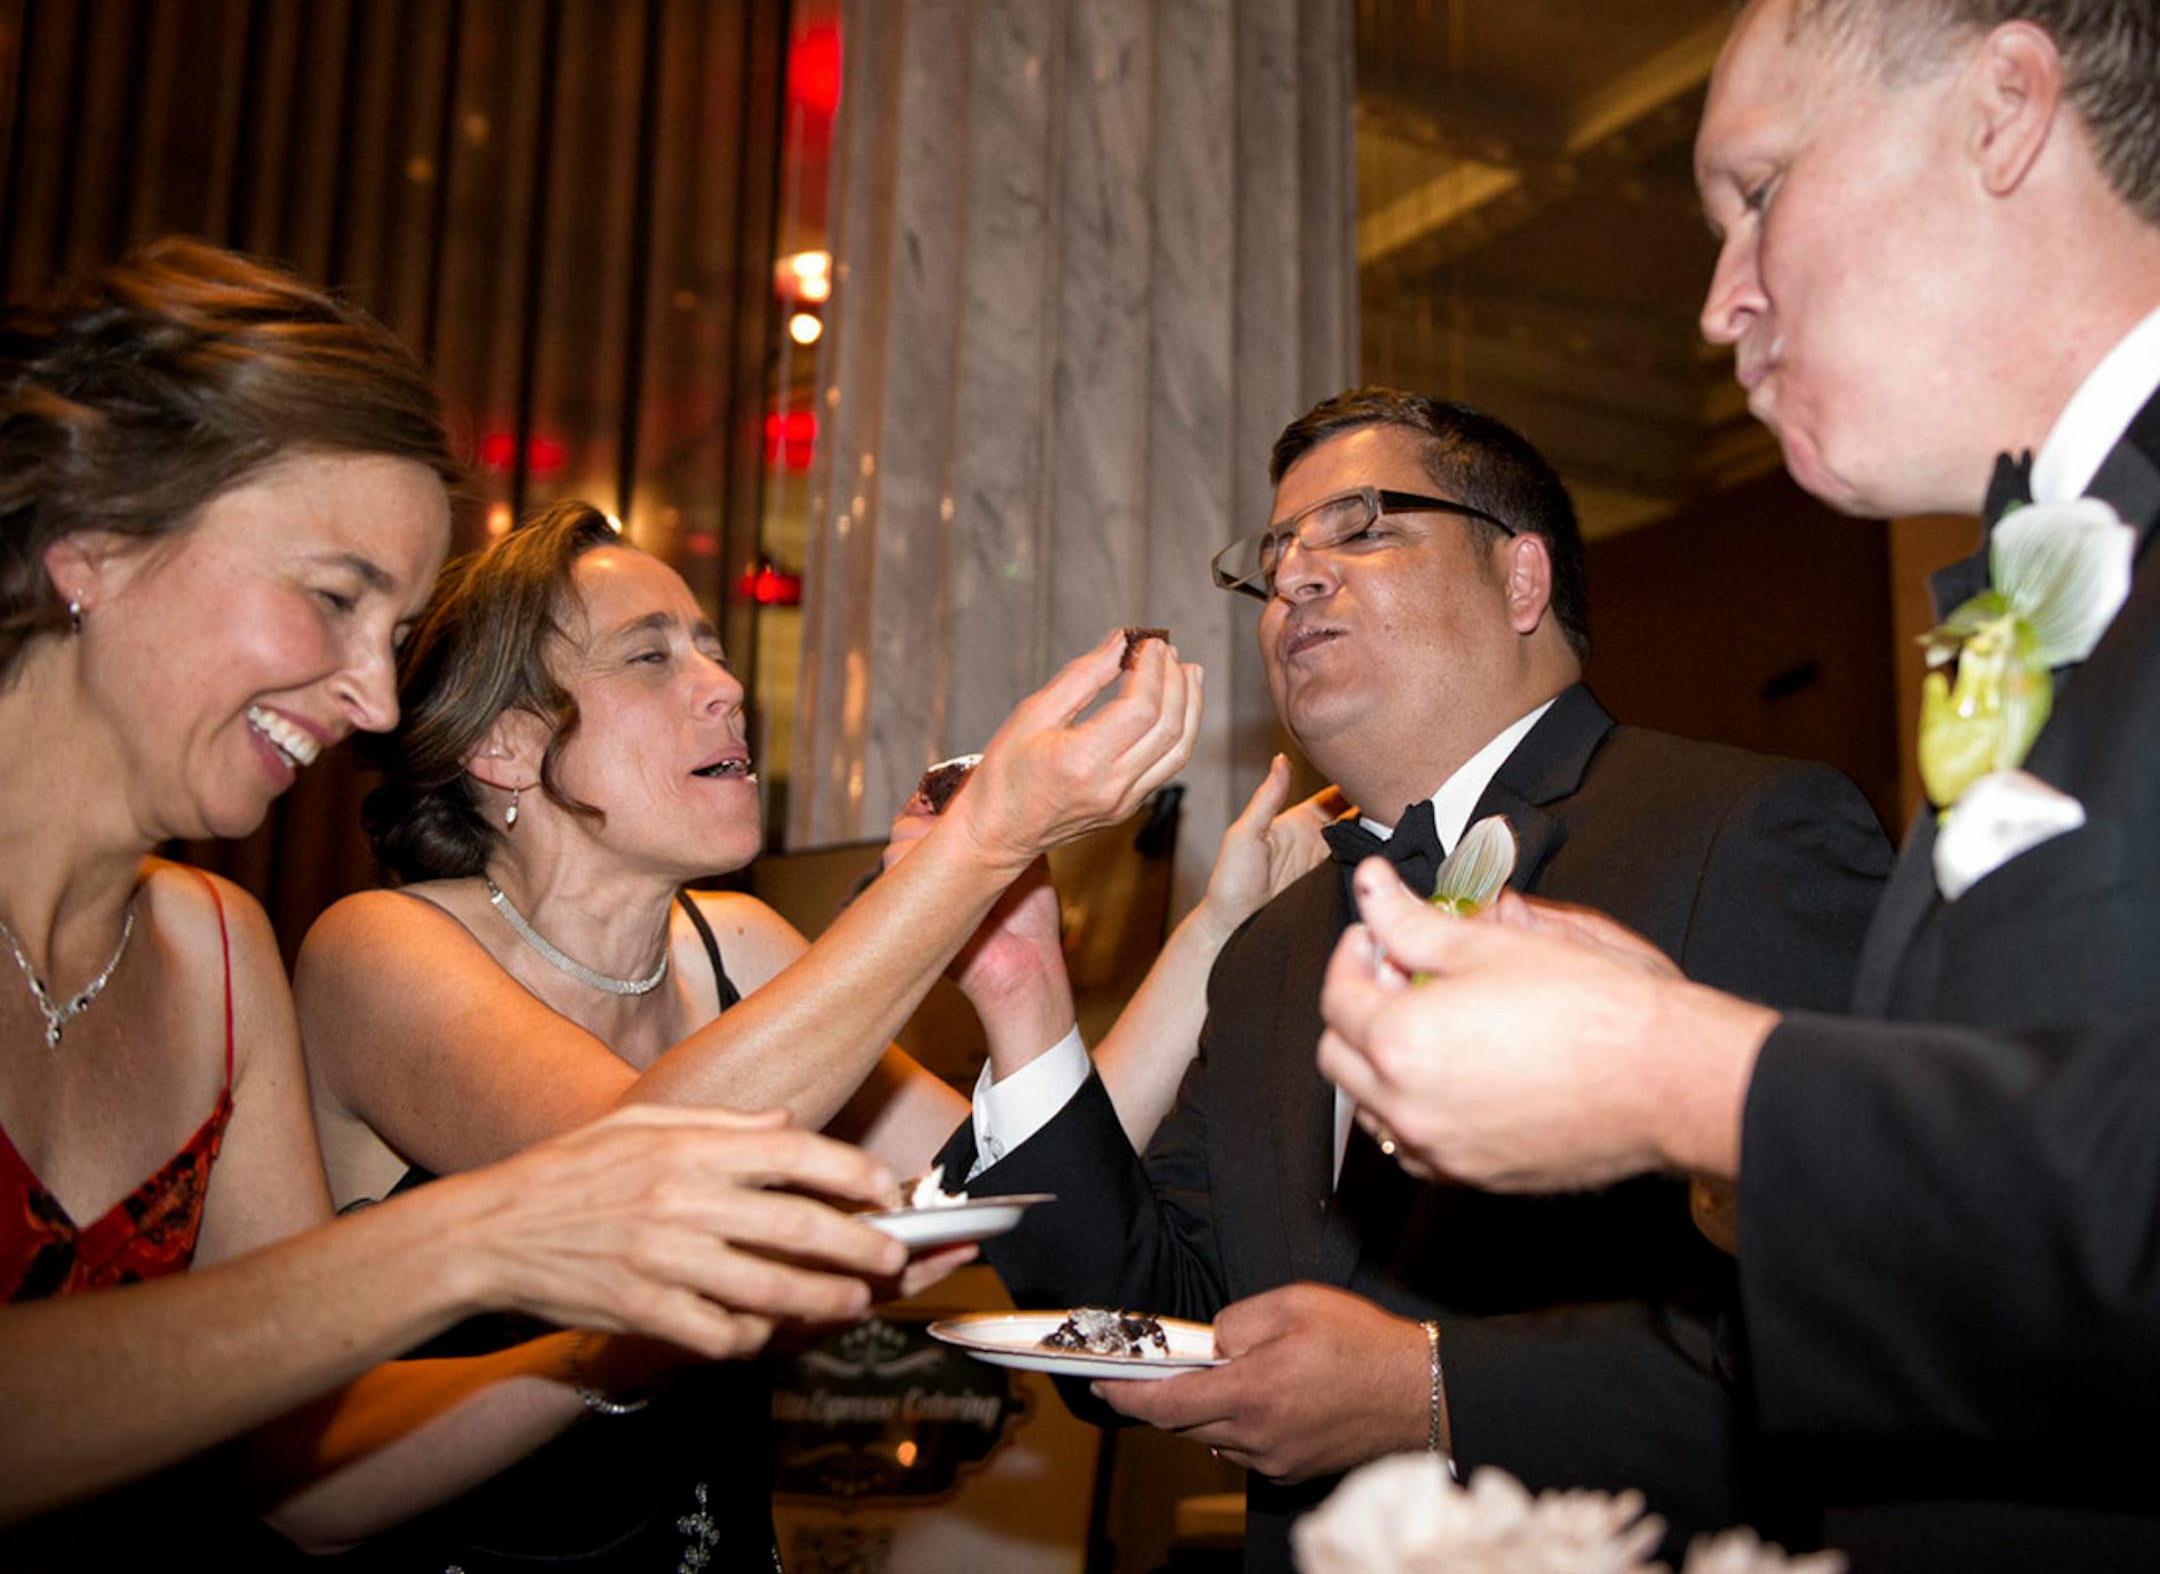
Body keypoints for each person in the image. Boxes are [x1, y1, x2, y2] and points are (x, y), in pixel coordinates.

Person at [1316, 0, 2160, 1567]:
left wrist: (1686, 1075)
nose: (1720, 305)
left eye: (1758, 194)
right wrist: (1696, 1093)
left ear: (2005, 108)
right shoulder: (2054, 574)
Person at [0, 240, 929, 1567]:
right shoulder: (370, 947)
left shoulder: (216, 952)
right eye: (331, 598)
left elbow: (300, 1475)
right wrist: (490, 1237)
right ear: (91, 544)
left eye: (391, 636)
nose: (376, 704)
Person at [937, 386, 1892, 1571]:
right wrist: (1024, 994)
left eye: (1362, 526)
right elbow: (1152, 1317)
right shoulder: (1278, 950)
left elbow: (1868, 1335)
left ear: (1523, 580)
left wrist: (1433, 1389)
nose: (1293, 576)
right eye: (1277, 553)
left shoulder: (1739, 835)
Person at [295, 499, 1298, 1568]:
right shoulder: (379, 950)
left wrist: (1214, 932)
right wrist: (981, 846)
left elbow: (1015, 1189)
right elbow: (626, 1169)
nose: (724, 687)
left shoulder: (736, 945)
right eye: (650, 656)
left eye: (714, 652)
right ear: (502, 743)